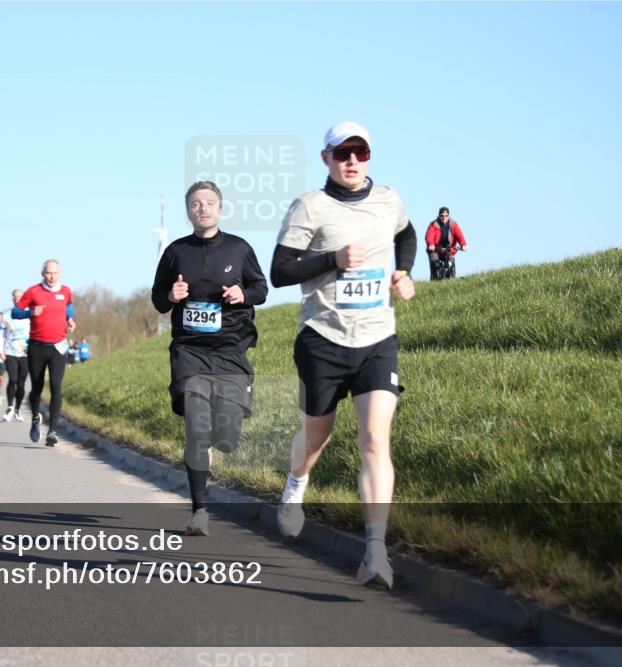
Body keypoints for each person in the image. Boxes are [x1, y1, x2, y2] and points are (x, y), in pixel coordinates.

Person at [270, 121, 417, 588]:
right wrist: (332, 260)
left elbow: (407, 235)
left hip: (377, 336)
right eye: (342, 153)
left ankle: (375, 551)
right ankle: (296, 486)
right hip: (323, 337)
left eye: (361, 153)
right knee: (317, 439)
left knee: (376, 438)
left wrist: (405, 273)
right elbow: (279, 271)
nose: (352, 161)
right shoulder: (310, 207)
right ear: (326, 158)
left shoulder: (388, 200)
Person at [151, 180, 268, 536]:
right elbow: (157, 299)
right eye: (196, 203)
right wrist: (171, 294)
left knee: (227, 435)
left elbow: (261, 289)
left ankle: (218, 441)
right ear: (188, 211)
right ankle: (199, 510)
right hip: (190, 351)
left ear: (220, 208)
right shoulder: (174, 252)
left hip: (231, 351)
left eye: (210, 202)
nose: (203, 208)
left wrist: (242, 293)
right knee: (196, 425)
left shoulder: (239, 248)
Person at [12, 260, 76, 446]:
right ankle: (34, 418)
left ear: (60, 273)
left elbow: (68, 306)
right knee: (37, 387)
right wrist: (30, 312)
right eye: (48, 273)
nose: (52, 276)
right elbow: (16, 312)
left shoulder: (65, 291)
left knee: (56, 386)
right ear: (42, 273)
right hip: (37, 346)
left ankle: (52, 430)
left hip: (58, 347)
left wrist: (70, 319)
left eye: (55, 273)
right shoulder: (33, 291)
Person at [1, 289, 31, 423]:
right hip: (10, 352)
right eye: (15, 296)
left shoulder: (29, 314)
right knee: (12, 379)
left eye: (20, 296)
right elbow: (1, 335)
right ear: (12, 298)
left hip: (25, 353)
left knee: (21, 383)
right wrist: (1, 350)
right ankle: (9, 407)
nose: (17, 298)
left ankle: (18, 409)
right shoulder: (7, 315)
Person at [425, 207, 468, 280]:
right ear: (439, 216)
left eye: (446, 215)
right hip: (436, 249)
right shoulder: (433, 225)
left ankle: (451, 278)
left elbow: (459, 235)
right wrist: (431, 244)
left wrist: (463, 244)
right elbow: (429, 236)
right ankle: (435, 279)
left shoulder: (453, 225)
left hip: (449, 249)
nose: (444, 217)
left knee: (450, 261)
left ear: (449, 216)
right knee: (434, 260)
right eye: (442, 215)